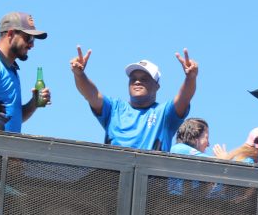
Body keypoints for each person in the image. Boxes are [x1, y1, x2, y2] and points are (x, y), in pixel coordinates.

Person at [70, 47, 198, 151]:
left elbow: (184, 98)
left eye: (144, 79)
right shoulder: (114, 108)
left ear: (157, 86)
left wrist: (190, 77)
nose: (137, 82)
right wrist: (79, 74)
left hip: (150, 175)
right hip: (113, 175)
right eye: (133, 78)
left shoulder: (164, 114)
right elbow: (91, 94)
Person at [0, 12, 51, 132]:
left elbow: (14, 118)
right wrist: (0, 144)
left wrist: (34, 102)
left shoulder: (11, 69)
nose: (32, 45)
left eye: (33, 39)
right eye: (28, 38)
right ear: (11, 34)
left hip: (5, 144)